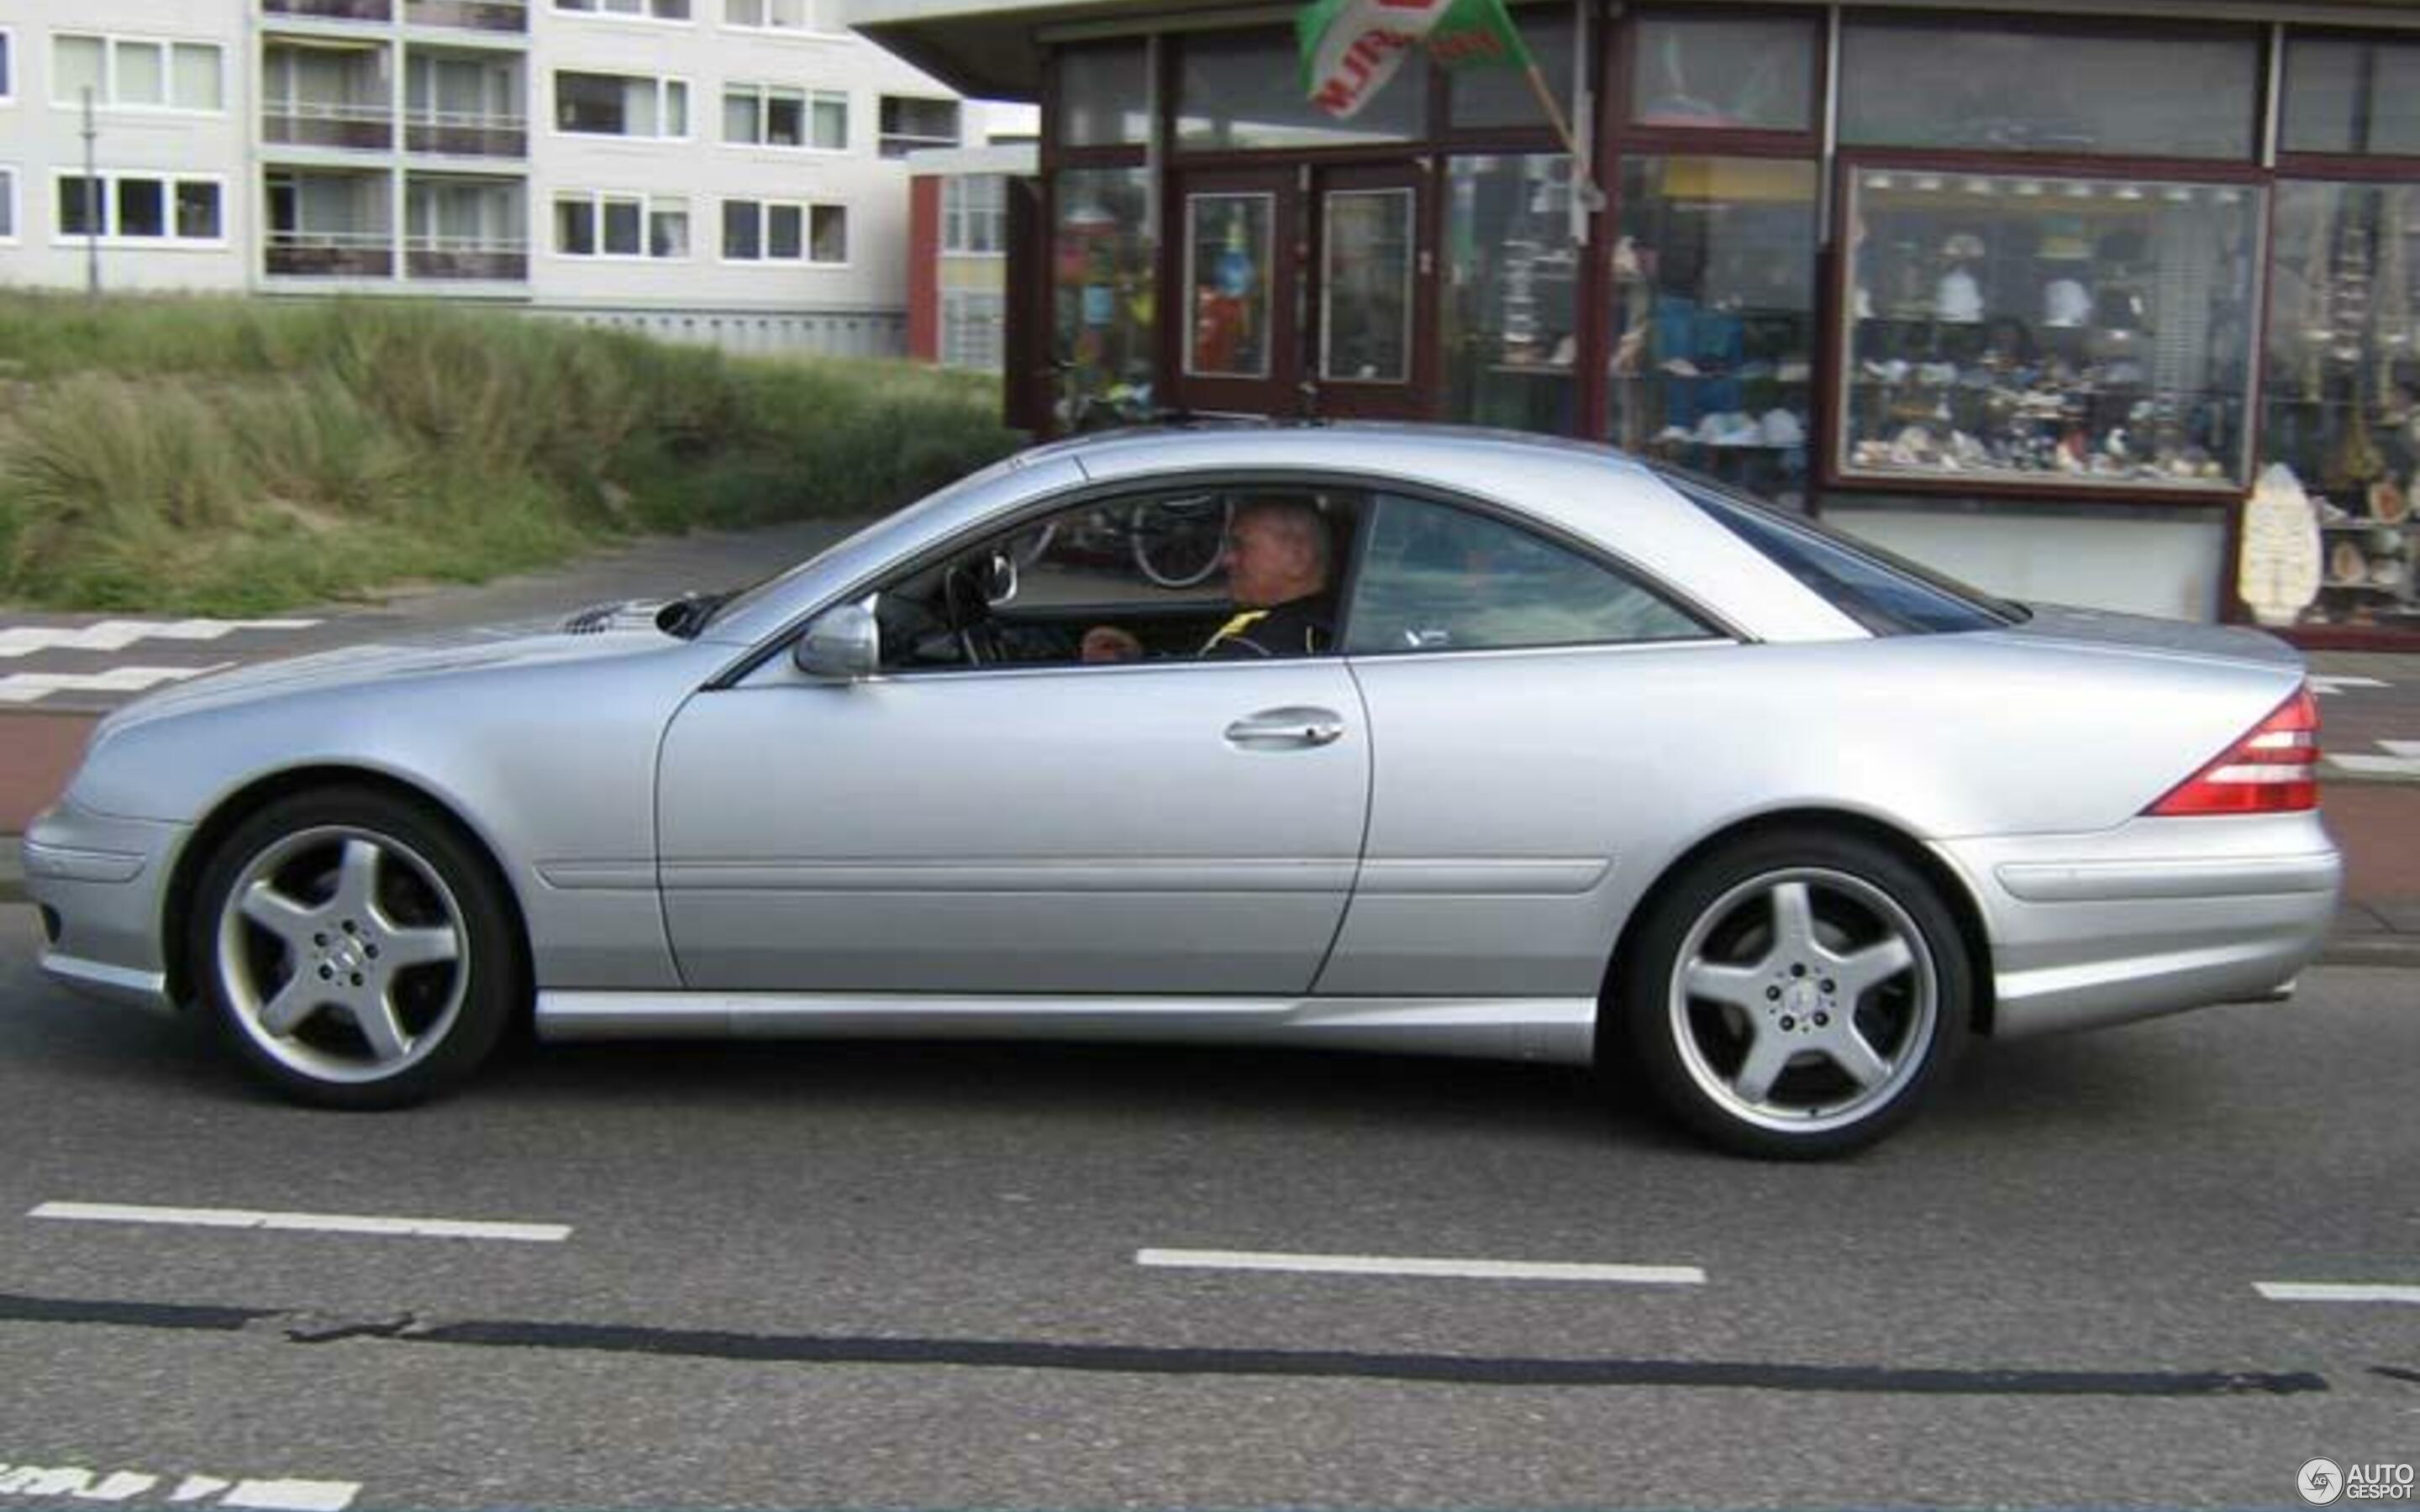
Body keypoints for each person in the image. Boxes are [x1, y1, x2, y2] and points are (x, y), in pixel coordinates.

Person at [1081, 498, 1334, 662]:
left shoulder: (1263, 649)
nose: (1226, 560)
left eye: (1239, 546)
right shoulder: (1292, 624)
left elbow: (1179, 704)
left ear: (1298, 559)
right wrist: (1139, 658)